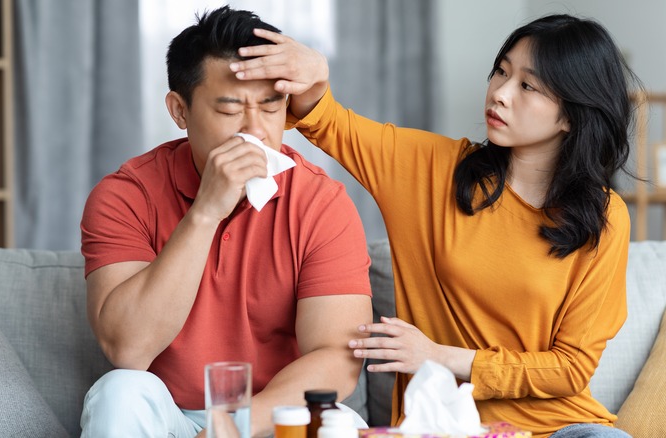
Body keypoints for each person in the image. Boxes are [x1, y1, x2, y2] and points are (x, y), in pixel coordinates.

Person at [230, 13, 639, 438]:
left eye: (527, 86)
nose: (499, 93)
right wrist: (313, 77)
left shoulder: (605, 217)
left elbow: (570, 369)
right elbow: (328, 121)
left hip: (562, 429)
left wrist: (441, 356)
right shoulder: (432, 169)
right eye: (501, 71)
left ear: (570, 115)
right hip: (443, 425)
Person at [79, 6, 372, 437]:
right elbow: (128, 348)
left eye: (271, 107)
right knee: (120, 390)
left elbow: (336, 357)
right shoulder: (125, 196)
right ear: (180, 111)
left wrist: (234, 427)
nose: (256, 131)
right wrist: (205, 212)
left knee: (338, 422)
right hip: (169, 417)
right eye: (231, 109)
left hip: (271, 416)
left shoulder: (320, 202)